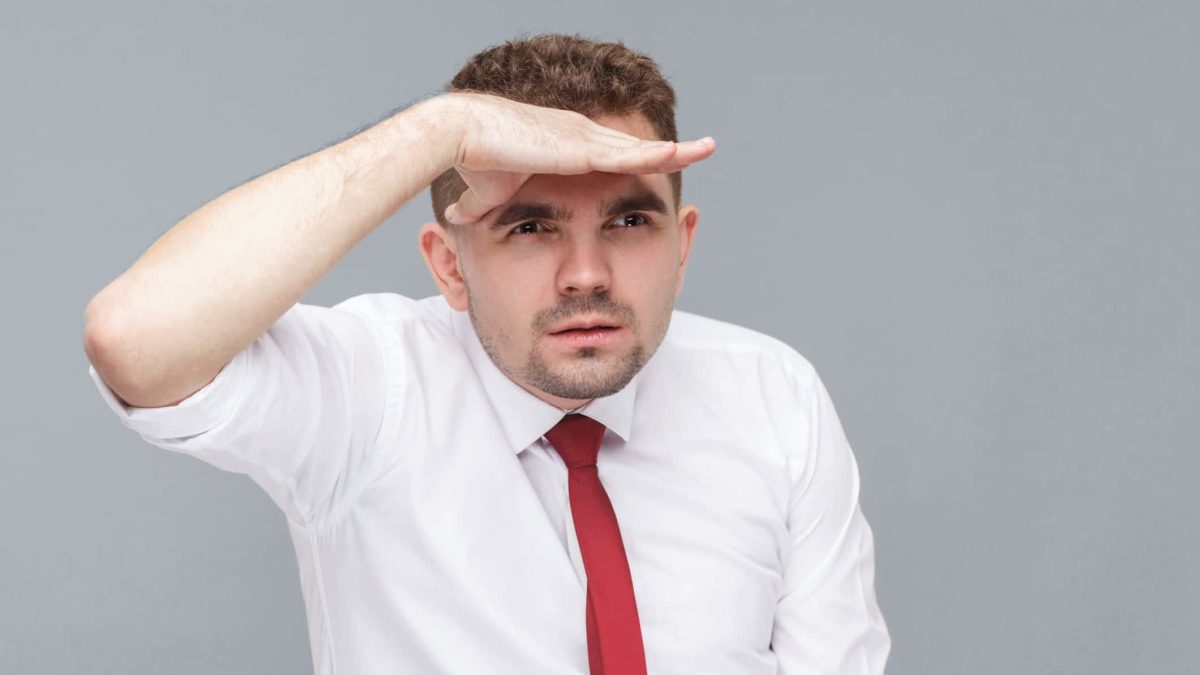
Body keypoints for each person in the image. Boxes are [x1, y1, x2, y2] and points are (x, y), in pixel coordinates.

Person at [84, 33, 891, 674]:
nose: (587, 274)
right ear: (447, 264)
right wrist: (444, 128)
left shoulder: (773, 395)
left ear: (682, 247)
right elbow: (136, 336)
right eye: (530, 226)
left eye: (628, 222)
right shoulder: (373, 386)